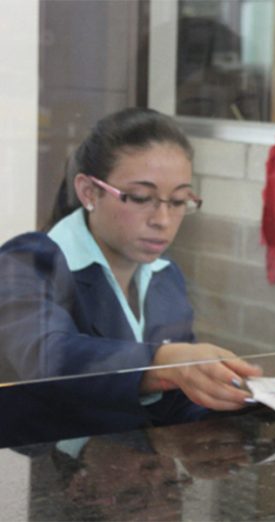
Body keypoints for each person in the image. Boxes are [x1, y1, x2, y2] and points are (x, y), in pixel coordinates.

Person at [0, 108, 261, 448]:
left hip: (134, 471)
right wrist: (162, 362)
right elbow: (51, 357)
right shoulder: (29, 262)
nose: (162, 219)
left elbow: (174, 403)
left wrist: (262, 400)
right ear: (89, 192)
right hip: (39, 474)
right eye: (140, 198)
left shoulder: (166, 277)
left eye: (178, 201)